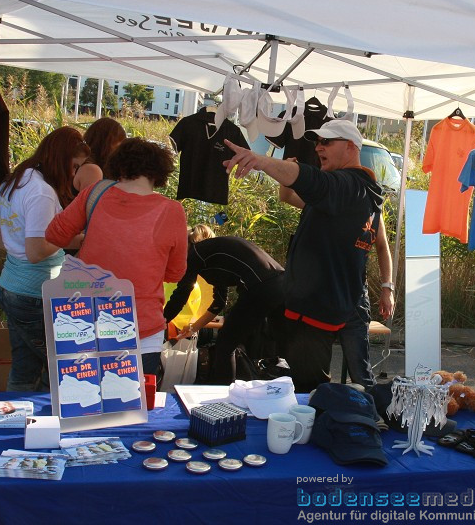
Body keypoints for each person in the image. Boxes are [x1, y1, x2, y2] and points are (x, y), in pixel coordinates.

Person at [223, 119, 385, 393]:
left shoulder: (347, 185)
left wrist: (260, 160)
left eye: (327, 142)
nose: (319, 147)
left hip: (318, 308)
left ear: (350, 147)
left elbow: (310, 179)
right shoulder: (356, 193)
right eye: (318, 142)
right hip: (332, 301)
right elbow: (296, 192)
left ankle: (349, 423)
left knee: (313, 390)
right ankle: (361, 418)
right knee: (340, 383)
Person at [45, 137, 188, 377]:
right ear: (159, 172)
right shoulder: (172, 210)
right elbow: (175, 273)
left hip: (86, 320)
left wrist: (94, 238)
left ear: (119, 165)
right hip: (141, 325)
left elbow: (54, 235)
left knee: (84, 403)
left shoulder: (94, 193)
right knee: (134, 408)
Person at [278, 163, 395, 388]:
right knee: (314, 368)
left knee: (359, 368)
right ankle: (325, 406)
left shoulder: (368, 207)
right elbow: (287, 195)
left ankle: (370, 414)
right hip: (326, 294)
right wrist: (288, 169)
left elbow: (383, 246)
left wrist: (387, 287)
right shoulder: (325, 203)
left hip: (355, 296)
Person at [0, 126, 89, 392]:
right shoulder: (41, 192)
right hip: (33, 294)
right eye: (74, 167)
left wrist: (65, 239)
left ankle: (13, 425)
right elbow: (36, 251)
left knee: (24, 369)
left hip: (11, 285)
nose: (73, 175)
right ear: (61, 159)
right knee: (60, 366)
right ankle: (49, 424)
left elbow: (2, 240)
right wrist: (78, 238)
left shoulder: (13, 181)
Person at [163, 224, 286, 384]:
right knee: (281, 342)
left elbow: (181, 294)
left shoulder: (197, 253)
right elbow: (219, 302)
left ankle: (224, 395)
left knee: (226, 344)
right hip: (282, 285)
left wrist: (160, 322)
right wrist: (193, 328)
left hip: (260, 286)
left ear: (185, 244)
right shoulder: (215, 255)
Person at [72, 117, 127, 192]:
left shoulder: (94, 165)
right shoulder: (92, 169)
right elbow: (91, 202)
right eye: (117, 146)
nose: (120, 150)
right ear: (106, 143)